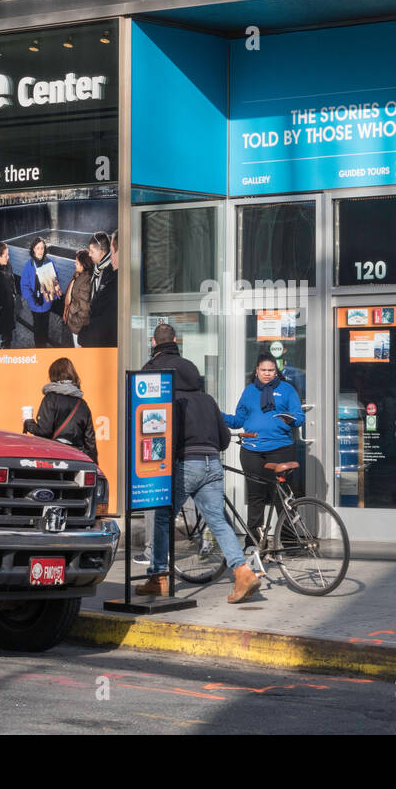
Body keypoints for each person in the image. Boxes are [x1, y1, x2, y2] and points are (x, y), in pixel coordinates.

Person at [138, 323, 259, 604]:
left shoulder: (170, 397)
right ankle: (242, 572)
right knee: (217, 519)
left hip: (185, 463)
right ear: (177, 341)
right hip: (212, 463)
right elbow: (224, 439)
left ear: (153, 342)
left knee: (162, 516)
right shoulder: (206, 398)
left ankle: (158, 577)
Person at [224, 353, 305, 540]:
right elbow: (238, 421)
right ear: (257, 371)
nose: (267, 374)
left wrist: (290, 420)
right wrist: (216, 414)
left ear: (276, 371)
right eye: (264, 370)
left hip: (280, 449)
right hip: (252, 451)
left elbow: (299, 417)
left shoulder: (287, 390)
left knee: (282, 496)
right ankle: (253, 541)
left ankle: (290, 541)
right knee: (255, 496)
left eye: (271, 370)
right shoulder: (249, 391)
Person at [30, 357, 97, 462]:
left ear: (53, 375)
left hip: (54, 457)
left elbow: (44, 431)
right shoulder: (82, 404)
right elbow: (90, 441)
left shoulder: (51, 398)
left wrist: (28, 423)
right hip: (77, 458)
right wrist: (94, 464)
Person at [80, 231, 117, 347]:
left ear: (102, 251)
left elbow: (104, 313)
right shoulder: (97, 267)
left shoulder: (111, 273)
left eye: (92, 251)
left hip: (101, 336)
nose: (89, 254)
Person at [20, 237, 58, 348]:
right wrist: (31, 299)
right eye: (38, 248)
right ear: (33, 249)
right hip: (34, 304)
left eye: (42, 248)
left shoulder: (50, 262)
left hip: (46, 303)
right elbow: (24, 285)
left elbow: (56, 280)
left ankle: (44, 345)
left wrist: (52, 293)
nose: (40, 251)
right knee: (37, 327)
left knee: (45, 326)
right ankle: (38, 346)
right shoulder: (29, 265)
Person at [62, 249, 94, 347]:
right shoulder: (79, 275)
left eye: (77, 263)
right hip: (72, 322)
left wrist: (72, 320)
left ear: (83, 265)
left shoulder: (85, 284)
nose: (75, 265)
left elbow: (85, 312)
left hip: (77, 328)